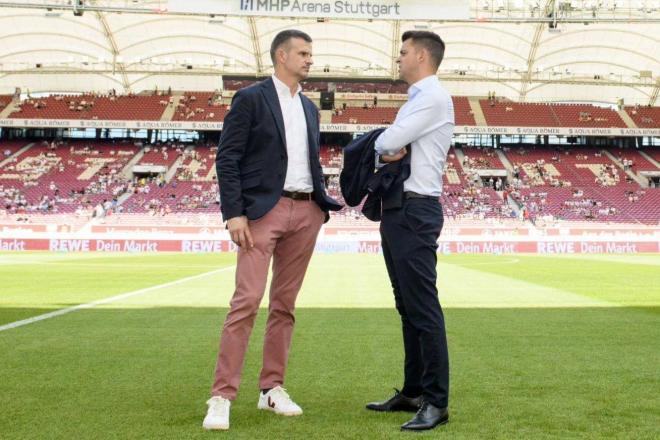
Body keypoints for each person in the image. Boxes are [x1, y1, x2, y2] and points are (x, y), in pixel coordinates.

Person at [202, 29, 341, 431]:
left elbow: (306, 161)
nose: (310, 60)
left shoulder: (311, 108)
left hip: (306, 210)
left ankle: (271, 390)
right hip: (263, 211)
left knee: (284, 306)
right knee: (245, 301)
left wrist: (321, 204)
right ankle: (222, 396)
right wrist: (235, 212)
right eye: (303, 53)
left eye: (311, 53)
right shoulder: (250, 98)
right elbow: (227, 157)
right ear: (282, 56)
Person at [364, 30, 454, 432]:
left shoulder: (433, 97)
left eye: (402, 52)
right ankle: (415, 390)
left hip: (416, 210)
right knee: (407, 306)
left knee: (422, 308)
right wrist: (386, 148)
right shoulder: (419, 99)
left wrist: (384, 145)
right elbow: (389, 147)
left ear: (420, 56)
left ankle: (436, 401)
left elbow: (390, 141)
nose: (398, 58)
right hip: (401, 209)